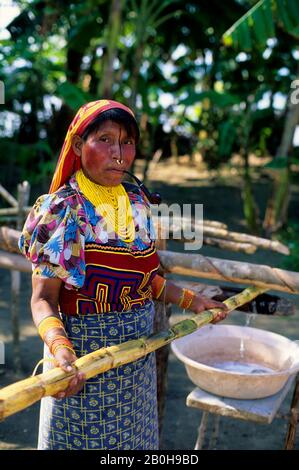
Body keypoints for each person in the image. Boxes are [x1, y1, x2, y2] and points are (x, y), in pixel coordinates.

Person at [19, 99, 228, 450]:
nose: (119, 153)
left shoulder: (137, 204)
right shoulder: (63, 212)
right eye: (104, 139)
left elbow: (146, 282)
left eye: (127, 142)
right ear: (76, 145)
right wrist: (60, 352)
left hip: (136, 368)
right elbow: (43, 299)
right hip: (82, 370)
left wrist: (195, 301)